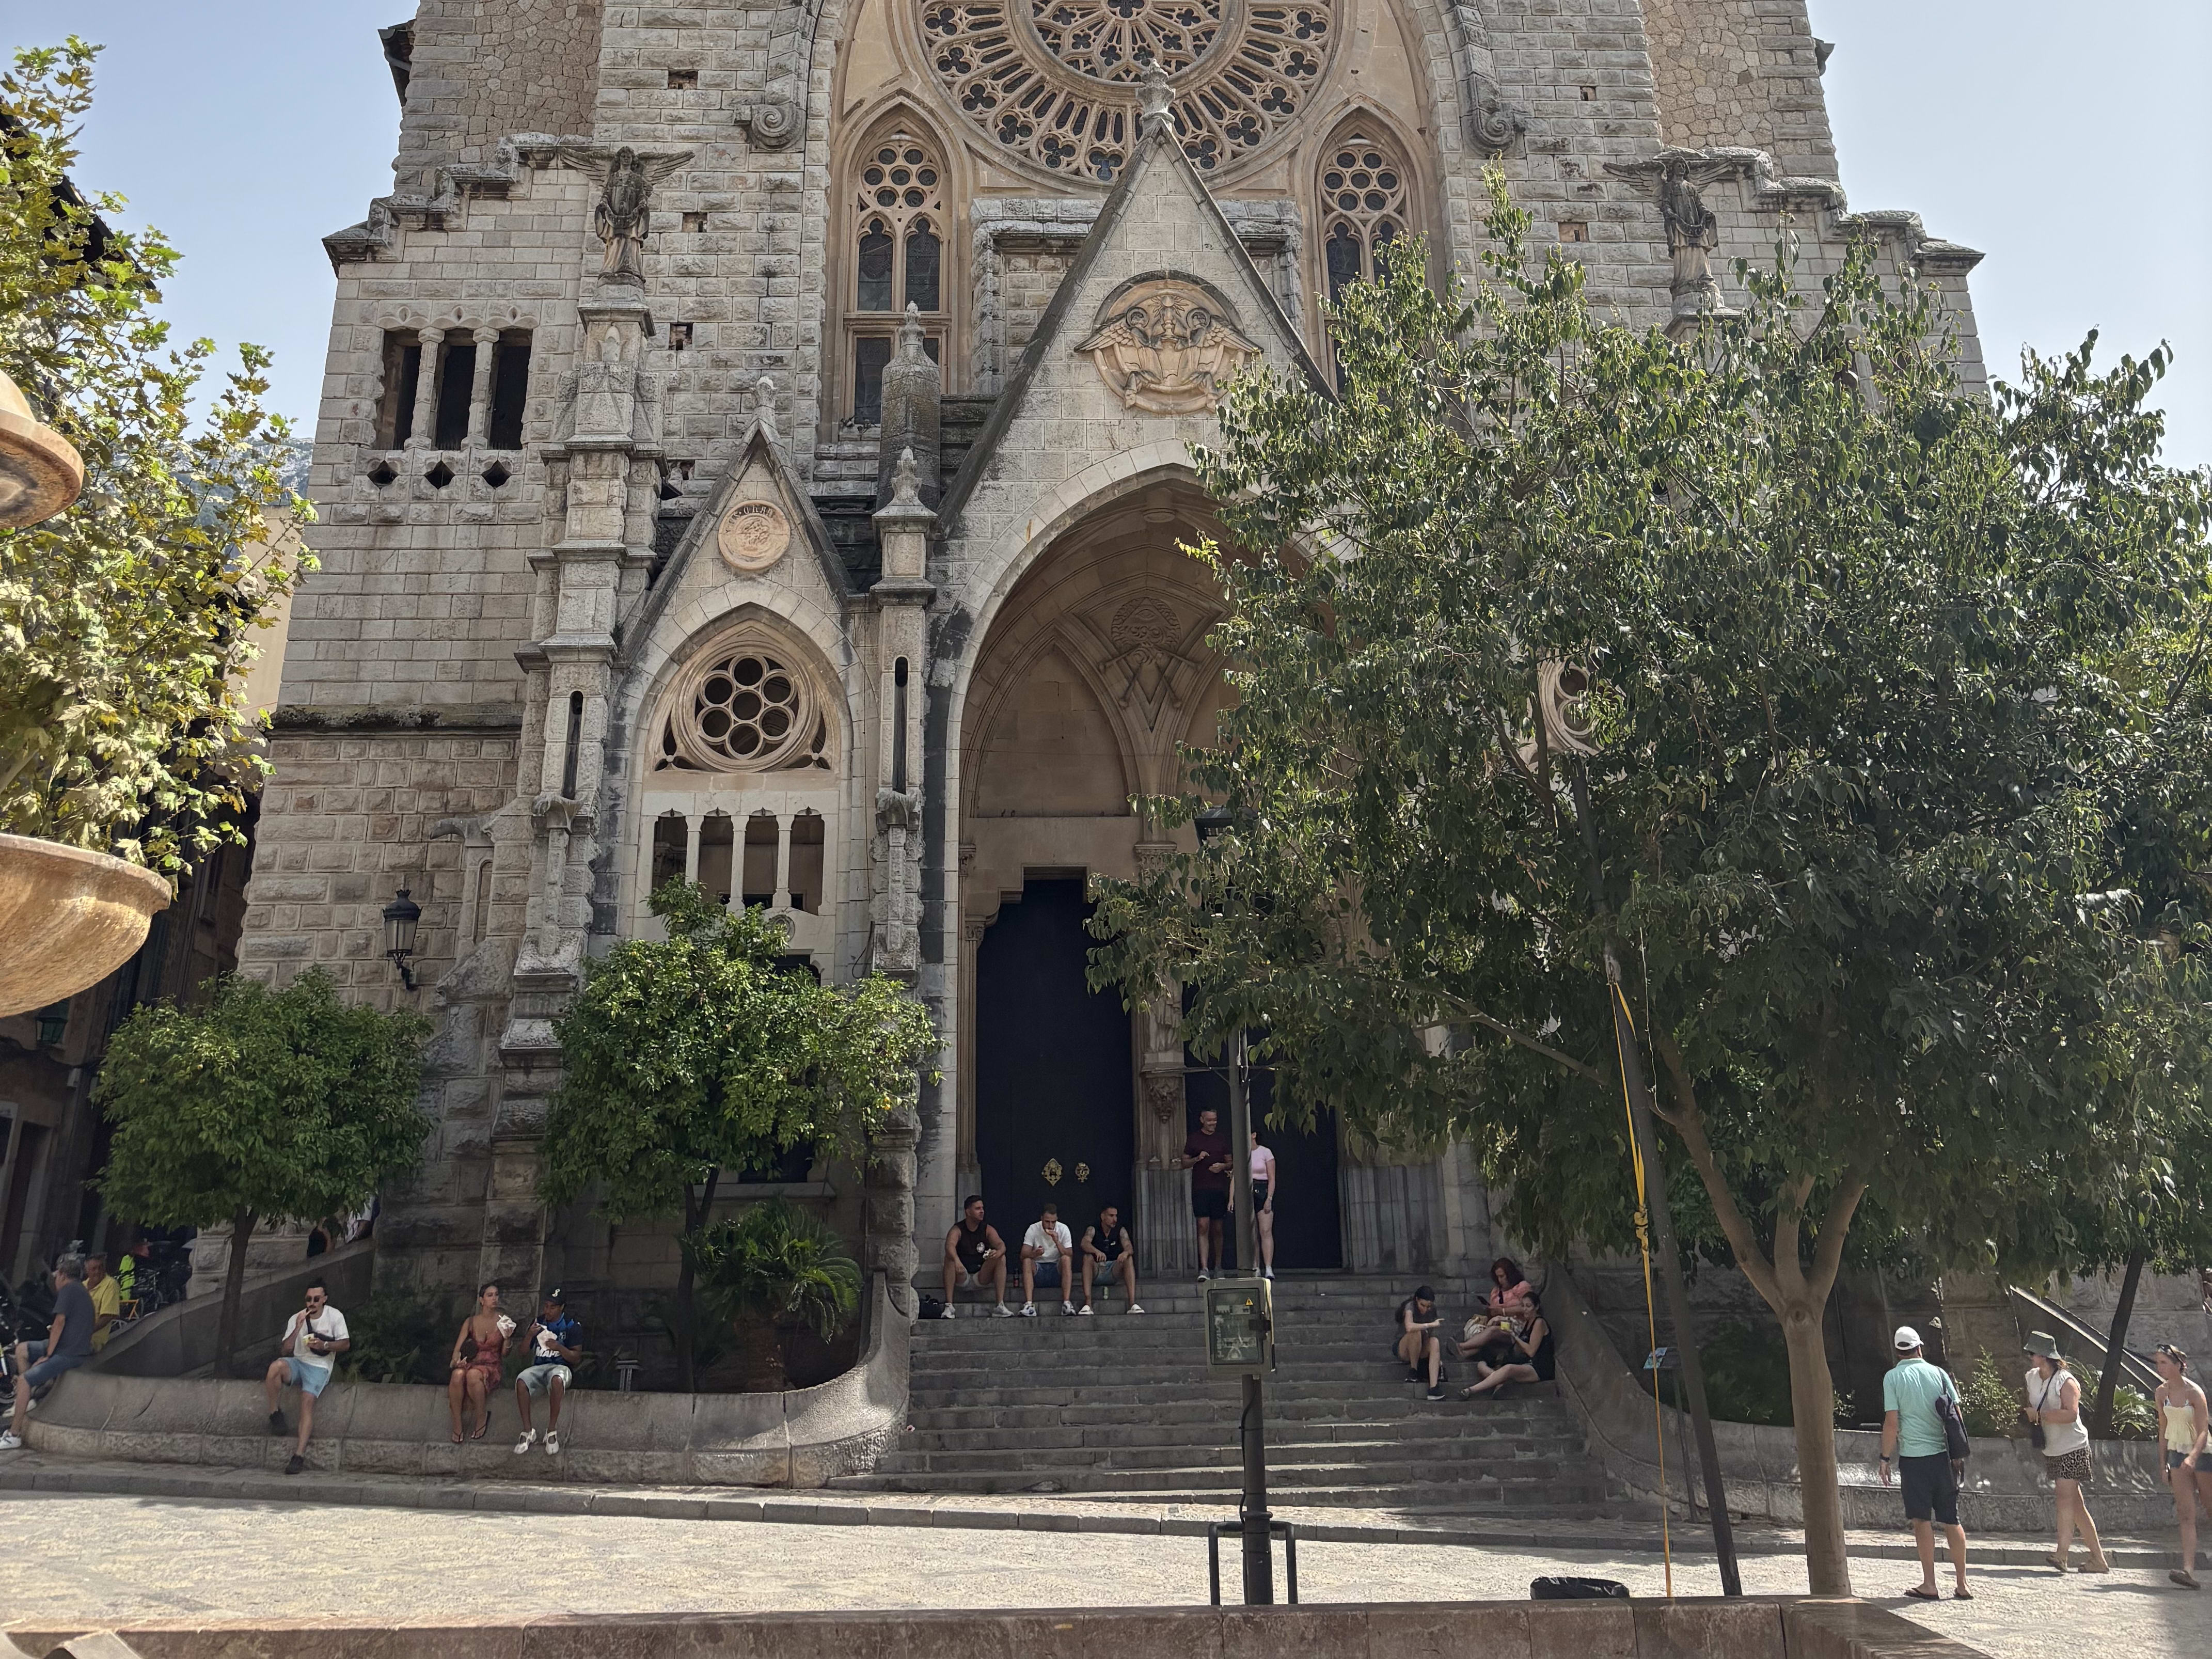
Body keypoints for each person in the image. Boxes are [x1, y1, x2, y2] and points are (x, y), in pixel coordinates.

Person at [1878, 1324, 1971, 1602]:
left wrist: (1885, 1457)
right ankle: (1962, 1584)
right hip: (1942, 1457)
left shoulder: (1893, 1378)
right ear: (1920, 1347)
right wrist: (1957, 1454)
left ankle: (1930, 1583)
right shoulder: (1940, 1374)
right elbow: (1956, 1416)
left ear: (1898, 1352)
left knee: (1921, 1521)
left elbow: (1892, 1422)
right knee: (1952, 1520)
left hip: (1913, 1459)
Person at [2021, 1331, 2107, 1572]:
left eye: (2033, 1353)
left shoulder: (2066, 1381)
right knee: (2076, 1506)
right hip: (2053, 1448)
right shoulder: (2031, 1378)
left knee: (2064, 1499)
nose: (2030, 1357)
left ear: (2044, 1356)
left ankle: (2062, 1555)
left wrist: (2040, 1416)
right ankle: (2098, 1560)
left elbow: (2071, 1414)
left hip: (2073, 1447)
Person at [0, 1257, 96, 1451]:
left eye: (57, 1276)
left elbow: (59, 1323)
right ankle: (28, 1399)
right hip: (67, 1345)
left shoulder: (69, 1291)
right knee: (22, 1349)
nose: (55, 1281)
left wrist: (49, 1355)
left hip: (69, 1352)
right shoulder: (81, 1291)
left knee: (25, 1380)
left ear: (63, 1275)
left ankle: (14, 1434)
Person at [262, 1277, 351, 1475]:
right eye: (309, 1299)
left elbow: (345, 1344)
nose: (312, 1303)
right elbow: (286, 1350)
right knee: (275, 1368)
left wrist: (324, 1345)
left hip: (319, 1366)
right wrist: (297, 1327)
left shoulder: (334, 1316)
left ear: (324, 1299)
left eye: (316, 1299)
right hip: (299, 1362)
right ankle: (275, 1413)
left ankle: (299, 1455)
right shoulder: (297, 1317)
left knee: (307, 1400)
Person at [2153, 1343, 2211, 1589]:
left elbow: (2203, 1431)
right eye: (2158, 1363)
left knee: (2210, 1508)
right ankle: (2188, 1571)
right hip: (2176, 1453)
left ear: (2178, 1365)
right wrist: (2162, 1463)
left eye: (2164, 1363)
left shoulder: (2194, 1393)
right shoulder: (2161, 1393)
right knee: (2186, 1514)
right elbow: (2163, 1430)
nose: (2160, 1367)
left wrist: (2194, 1457)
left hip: (2202, 1454)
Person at [513, 1288, 581, 1456]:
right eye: (546, 1306)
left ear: (562, 1307)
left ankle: (551, 1431)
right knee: (521, 1380)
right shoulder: (538, 1322)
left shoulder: (571, 1325)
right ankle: (528, 1431)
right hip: (539, 1367)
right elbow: (522, 1353)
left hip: (560, 1367)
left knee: (557, 1379)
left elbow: (576, 1358)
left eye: (553, 1307)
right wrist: (530, 1335)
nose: (548, 1311)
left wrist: (559, 1347)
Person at [447, 1282, 513, 1443]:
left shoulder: (504, 1320)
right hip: (473, 1362)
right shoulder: (471, 1321)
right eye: (490, 1295)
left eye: (496, 1295)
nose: (494, 1298)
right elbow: (457, 1350)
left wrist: (508, 1338)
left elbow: (505, 1354)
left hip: (492, 1365)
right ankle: (457, 1423)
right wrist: (457, 1361)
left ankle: (481, 1416)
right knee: (457, 1375)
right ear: (482, 1300)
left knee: (473, 1375)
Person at [1459, 1292, 1554, 1400]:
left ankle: (1470, 1390)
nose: (1525, 1309)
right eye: (1523, 1306)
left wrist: (1515, 1336)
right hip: (1523, 1362)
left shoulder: (1539, 1323)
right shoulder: (1527, 1324)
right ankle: (1500, 1381)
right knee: (1481, 1365)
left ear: (1536, 1307)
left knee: (1508, 1369)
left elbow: (1531, 1351)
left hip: (1538, 1367)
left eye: (1528, 1306)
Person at [1180, 1107, 1232, 1281]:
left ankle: (1218, 1266)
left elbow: (1230, 1162)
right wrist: (1197, 1159)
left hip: (1219, 1189)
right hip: (1200, 1188)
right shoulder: (1194, 1139)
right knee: (1203, 1226)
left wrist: (1222, 1166)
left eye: (1215, 1120)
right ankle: (1204, 1268)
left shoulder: (1221, 1138)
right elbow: (1184, 1162)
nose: (1213, 1123)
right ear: (1202, 1120)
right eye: (1209, 1120)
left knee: (1218, 1228)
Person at [940, 1195, 1012, 1317]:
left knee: (1001, 1258)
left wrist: (998, 1252)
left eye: (982, 1208)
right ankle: (949, 1306)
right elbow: (949, 1246)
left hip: (981, 1276)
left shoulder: (987, 1229)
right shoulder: (958, 1229)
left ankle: (1000, 1306)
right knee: (949, 1258)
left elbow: (1001, 1245)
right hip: (962, 1275)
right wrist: (957, 1261)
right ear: (968, 1212)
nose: (982, 1211)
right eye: (978, 1209)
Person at [1078, 1204, 1143, 1315]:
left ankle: (1132, 1304)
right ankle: (1088, 1304)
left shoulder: (1120, 1230)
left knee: (1129, 1259)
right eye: (1111, 1216)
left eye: (1116, 1216)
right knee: (1087, 1257)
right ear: (1103, 1217)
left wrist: (1125, 1253)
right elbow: (1084, 1243)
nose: (1115, 1219)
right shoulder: (1093, 1229)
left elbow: (1129, 1247)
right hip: (1097, 1270)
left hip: (1113, 1270)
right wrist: (1096, 1251)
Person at [1019, 1202, 1076, 1317]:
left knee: (1065, 1259)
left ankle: (1066, 1304)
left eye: (1053, 1222)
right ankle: (1029, 1305)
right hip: (1038, 1270)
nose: (1050, 1226)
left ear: (1057, 1220)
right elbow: (1023, 1254)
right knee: (1027, 1261)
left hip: (1056, 1270)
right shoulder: (1033, 1229)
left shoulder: (1063, 1229)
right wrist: (1034, 1254)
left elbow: (1070, 1255)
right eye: (1047, 1222)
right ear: (1042, 1219)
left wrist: (1057, 1242)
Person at [1394, 1284, 1446, 1402]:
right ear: (1417, 1300)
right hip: (1404, 1347)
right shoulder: (1410, 1307)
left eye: (1428, 1306)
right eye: (1423, 1305)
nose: (1425, 1309)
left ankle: (1434, 1388)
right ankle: (1413, 1371)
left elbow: (1429, 1335)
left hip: (1421, 1345)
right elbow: (1409, 1327)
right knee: (1415, 1332)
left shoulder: (1432, 1310)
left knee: (1434, 1341)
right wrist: (1430, 1325)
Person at [1245, 1131, 1277, 1280]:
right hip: (1248, 1190)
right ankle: (1256, 1266)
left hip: (1263, 1189)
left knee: (1265, 1231)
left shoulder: (1266, 1152)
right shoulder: (1242, 1153)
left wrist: (1269, 1198)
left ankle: (1269, 1268)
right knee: (1251, 1233)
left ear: (1254, 1135)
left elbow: (1272, 1178)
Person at [82, 1253, 121, 1352]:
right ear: (87, 1271)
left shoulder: (110, 1285)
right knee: (43, 1346)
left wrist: (86, 1332)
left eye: (101, 1268)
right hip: (74, 1337)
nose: (98, 1272)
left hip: (92, 1341)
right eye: (94, 1269)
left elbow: (107, 1316)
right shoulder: (82, 1286)